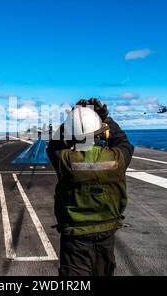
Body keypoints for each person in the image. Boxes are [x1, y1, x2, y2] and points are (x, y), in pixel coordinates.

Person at [46, 98, 134, 277]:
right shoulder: (118, 158)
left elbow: (53, 145)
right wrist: (106, 117)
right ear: (101, 132)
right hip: (107, 231)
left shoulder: (65, 160)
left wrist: (72, 118)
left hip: (75, 235)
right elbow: (124, 142)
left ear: (71, 133)